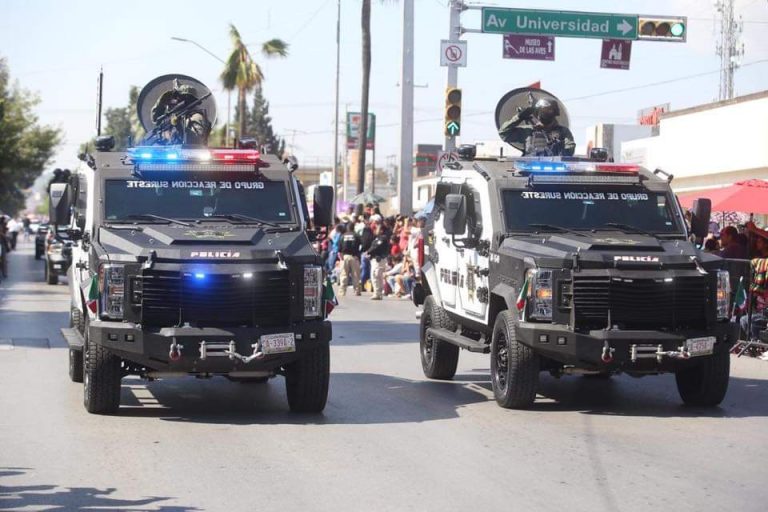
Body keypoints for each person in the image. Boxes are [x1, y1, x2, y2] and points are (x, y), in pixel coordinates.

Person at [498, 97, 575, 156]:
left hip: (555, 170)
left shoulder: (563, 131)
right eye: (542, 110)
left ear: (555, 112)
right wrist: (519, 117)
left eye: (549, 110)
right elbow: (503, 133)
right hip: (529, 169)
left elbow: (570, 150)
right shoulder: (529, 131)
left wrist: (557, 150)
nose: (545, 112)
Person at [150, 81, 211, 145]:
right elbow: (155, 119)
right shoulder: (172, 118)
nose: (173, 101)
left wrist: (177, 126)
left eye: (177, 97)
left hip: (188, 154)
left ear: (186, 99)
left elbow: (195, 143)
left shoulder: (196, 117)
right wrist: (161, 102)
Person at [366, 222, 390, 300]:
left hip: (379, 259)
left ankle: (378, 293)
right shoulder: (376, 238)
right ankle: (377, 293)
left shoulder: (383, 238)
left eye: (377, 228)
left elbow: (376, 246)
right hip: (374, 260)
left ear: (381, 230)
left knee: (376, 275)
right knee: (375, 276)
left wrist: (368, 252)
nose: (376, 230)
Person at [338, 223, 362, 297]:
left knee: (344, 274)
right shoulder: (357, 236)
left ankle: (342, 291)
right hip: (354, 257)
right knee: (355, 274)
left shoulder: (343, 236)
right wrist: (358, 255)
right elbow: (362, 246)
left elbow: (339, 247)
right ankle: (357, 291)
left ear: (347, 228)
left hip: (345, 256)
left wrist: (341, 256)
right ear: (354, 227)